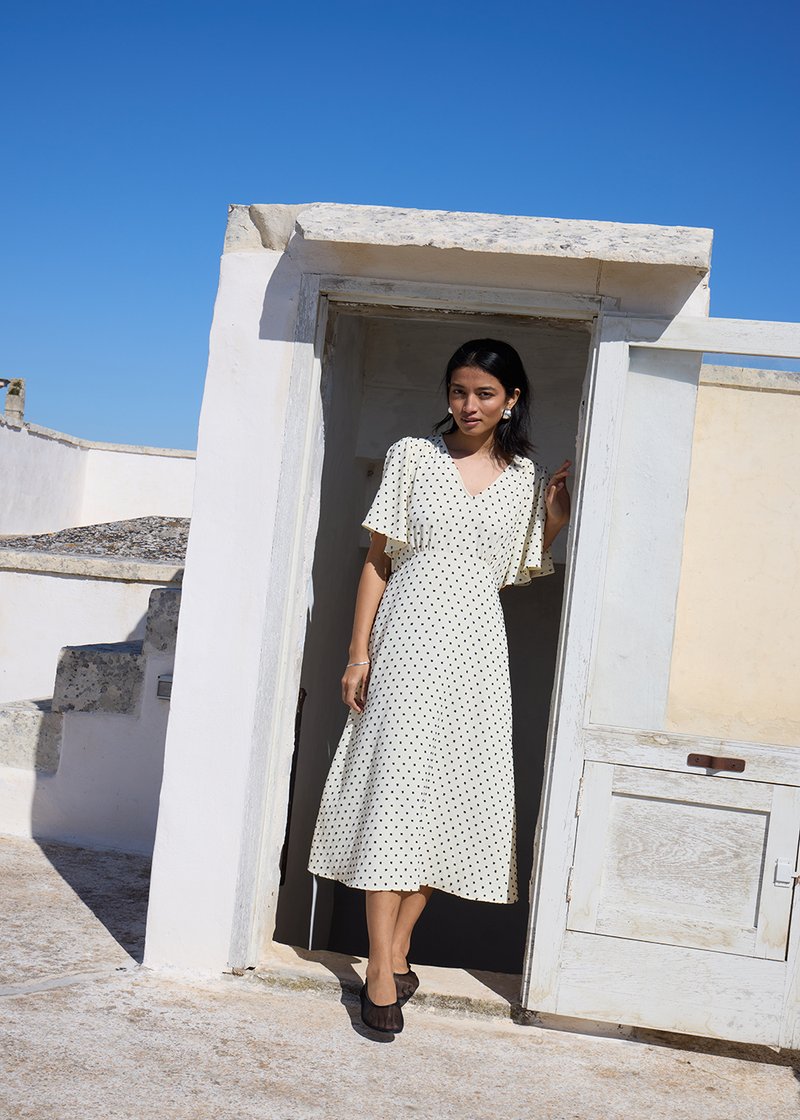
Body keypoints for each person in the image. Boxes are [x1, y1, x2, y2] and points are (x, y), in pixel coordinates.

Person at [307, 338, 571, 1034]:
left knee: (447, 804)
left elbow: (516, 570)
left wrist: (554, 520)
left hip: (478, 656)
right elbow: (376, 561)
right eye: (459, 391)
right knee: (393, 795)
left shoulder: (523, 476)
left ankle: (393, 952)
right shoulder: (412, 457)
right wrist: (358, 654)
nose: (470, 404)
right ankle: (381, 971)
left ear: (511, 399)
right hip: (403, 646)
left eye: (485, 393)